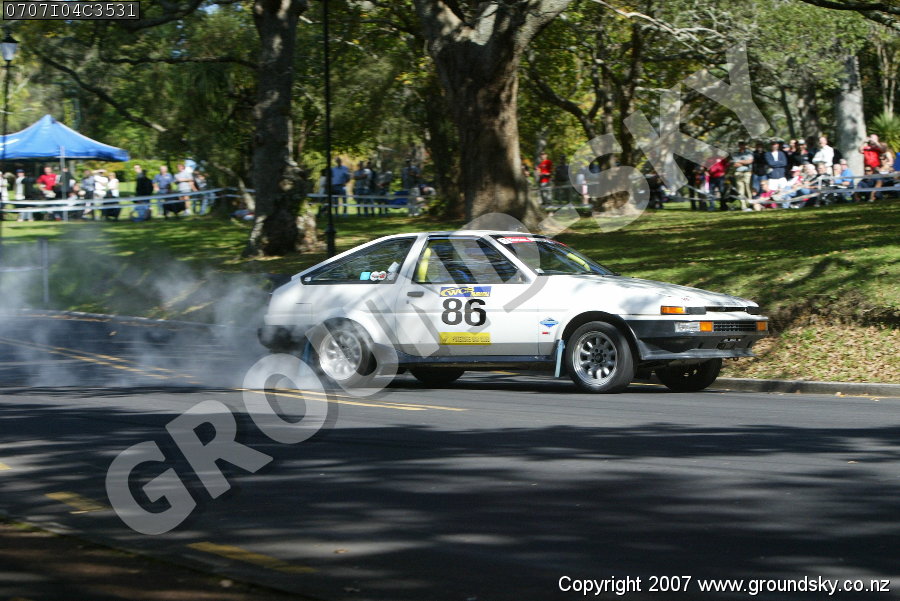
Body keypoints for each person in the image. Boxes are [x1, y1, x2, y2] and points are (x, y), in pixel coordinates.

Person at [731, 141, 754, 211]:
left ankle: (750, 204)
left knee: (748, 188)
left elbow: (750, 161)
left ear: (745, 145)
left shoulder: (749, 152)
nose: (741, 146)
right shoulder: (735, 153)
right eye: (740, 145)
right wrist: (745, 162)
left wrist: (740, 161)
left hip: (747, 172)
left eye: (743, 145)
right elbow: (735, 164)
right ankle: (743, 206)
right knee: (740, 190)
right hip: (738, 173)